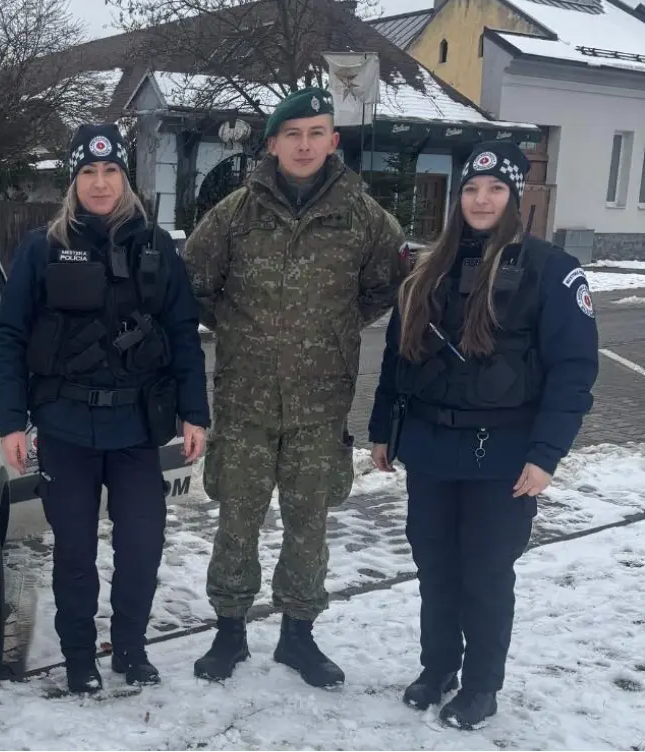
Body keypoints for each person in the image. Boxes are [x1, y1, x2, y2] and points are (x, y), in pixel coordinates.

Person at [368, 140, 598, 729]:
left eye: (496, 189)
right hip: (430, 448)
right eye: (471, 188)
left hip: (503, 456)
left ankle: (481, 686)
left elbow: (574, 372)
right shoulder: (429, 269)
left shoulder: (551, 270)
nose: (481, 199)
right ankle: (438, 667)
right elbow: (397, 358)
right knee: (435, 567)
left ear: (515, 198)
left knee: (486, 575)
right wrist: (382, 430)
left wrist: (546, 455)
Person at [182, 87, 407, 688]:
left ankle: (298, 636)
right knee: (237, 521)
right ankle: (229, 632)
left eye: (315, 134)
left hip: (320, 404)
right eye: (292, 135)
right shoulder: (235, 214)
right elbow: (193, 284)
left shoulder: (365, 218)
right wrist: (239, 329)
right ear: (273, 144)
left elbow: (385, 286)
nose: (304, 145)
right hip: (245, 401)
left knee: (309, 525)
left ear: (333, 141)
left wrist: (329, 332)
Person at [0, 123, 211, 694]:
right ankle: (79, 657)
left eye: (111, 170)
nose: (100, 182)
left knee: (142, 547)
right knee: (75, 553)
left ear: (125, 177)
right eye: (88, 171)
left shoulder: (156, 247)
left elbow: (183, 332)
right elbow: (9, 336)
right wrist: (10, 420)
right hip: (65, 426)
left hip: (136, 428)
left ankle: (131, 649)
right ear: (74, 180)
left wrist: (195, 411)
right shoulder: (41, 248)